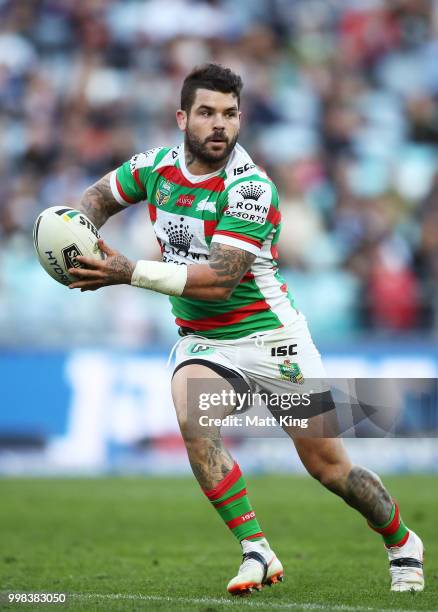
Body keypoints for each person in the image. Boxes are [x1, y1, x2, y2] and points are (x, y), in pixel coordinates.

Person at [69, 63, 424, 596]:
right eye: (208, 113)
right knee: (191, 409)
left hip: (272, 339)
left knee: (329, 468)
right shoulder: (154, 168)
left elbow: (219, 282)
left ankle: (402, 541)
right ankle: (256, 548)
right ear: (182, 118)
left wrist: (126, 271)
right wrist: (74, 238)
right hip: (206, 342)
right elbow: (96, 198)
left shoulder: (251, 187)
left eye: (230, 115)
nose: (220, 125)